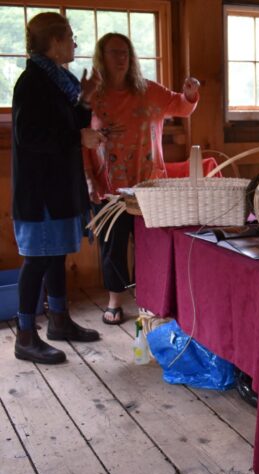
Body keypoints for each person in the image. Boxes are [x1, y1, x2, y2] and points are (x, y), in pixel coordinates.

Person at [85, 32, 200, 325]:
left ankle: (151, 300)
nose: (121, 58)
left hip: (150, 184)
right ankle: (114, 301)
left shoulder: (149, 89)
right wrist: (89, 180)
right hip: (109, 186)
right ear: (102, 57)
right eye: (114, 52)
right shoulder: (92, 97)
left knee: (151, 245)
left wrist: (189, 94)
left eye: (125, 52)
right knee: (113, 245)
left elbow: (181, 107)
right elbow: (82, 140)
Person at [12, 12, 105, 364]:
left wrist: (84, 101)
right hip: (41, 190)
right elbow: (30, 136)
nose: (75, 43)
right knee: (37, 258)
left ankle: (59, 321)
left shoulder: (58, 81)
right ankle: (24, 335)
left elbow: (68, 124)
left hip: (59, 184)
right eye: (69, 36)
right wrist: (78, 135)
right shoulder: (31, 82)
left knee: (55, 254)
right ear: (52, 42)